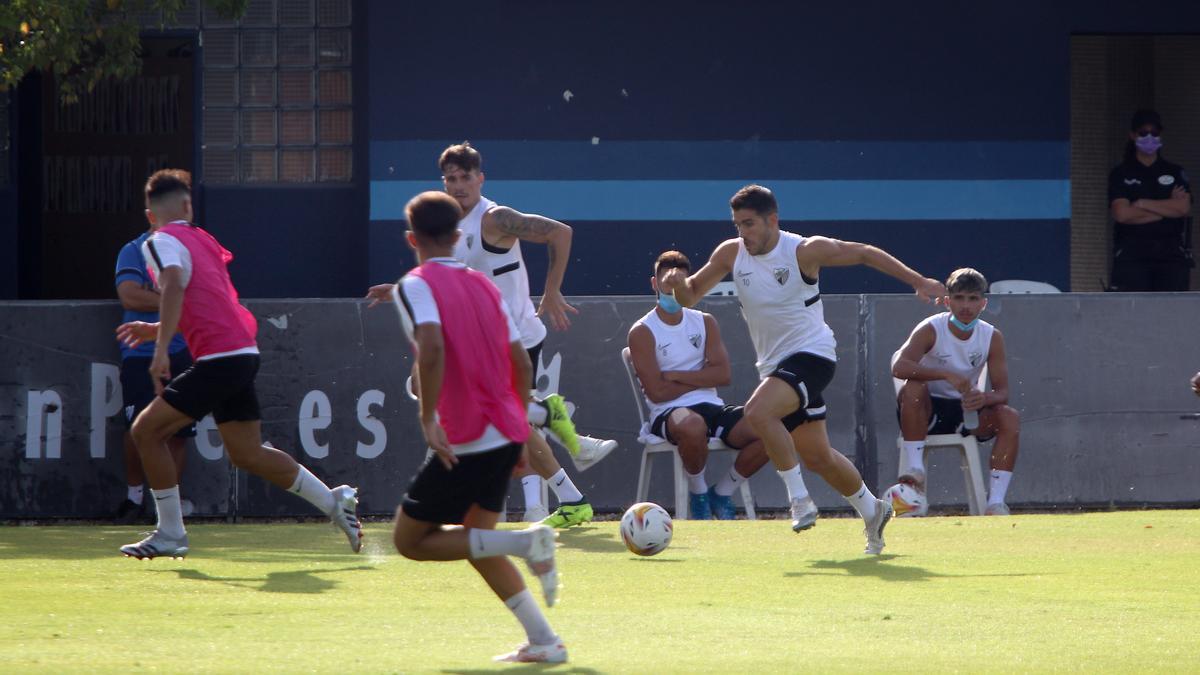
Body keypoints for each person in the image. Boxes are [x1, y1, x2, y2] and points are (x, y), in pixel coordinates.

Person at [662, 184, 946, 554]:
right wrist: (675, 286)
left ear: (772, 220)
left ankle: (798, 500)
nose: (742, 233)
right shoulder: (730, 254)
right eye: (737, 225)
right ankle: (873, 509)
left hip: (814, 355)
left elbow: (861, 253)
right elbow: (691, 294)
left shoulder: (803, 250)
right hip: (775, 367)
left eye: (749, 224)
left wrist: (917, 280)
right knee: (818, 456)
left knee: (757, 412)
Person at [115, 169, 362, 559]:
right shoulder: (202, 238)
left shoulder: (158, 240)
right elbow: (204, 302)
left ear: (150, 216)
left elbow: (175, 284)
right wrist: (158, 329)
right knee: (247, 453)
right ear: (187, 206)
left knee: (146, 431)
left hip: (219, 359)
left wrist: (161, 349)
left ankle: (171, 533)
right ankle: (334, 502)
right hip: (242, 353)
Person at [367, 141, 616, 528]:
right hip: (480, 340)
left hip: (514, 338)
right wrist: (399, 287)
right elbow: (447, 275)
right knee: (494, 417)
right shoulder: (449, 227)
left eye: (466, 177)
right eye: (451, 178)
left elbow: (561, 233)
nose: (459, 185)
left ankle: (553, 451)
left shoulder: (494, 219)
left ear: (480, 179)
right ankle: (568, 485)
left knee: (496, 417)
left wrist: (551, 290)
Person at [390, 190, 565, 664]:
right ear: (457, 236)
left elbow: (431, 349)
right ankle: (545, 641)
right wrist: (521, 423)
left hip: (469, 436)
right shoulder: (483, 284)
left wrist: (428, 418)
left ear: (411, 239)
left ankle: (527, 542)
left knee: (409, 540)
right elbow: (519, 362)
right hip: (506, 429)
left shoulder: (415, 284)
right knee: (478, 541)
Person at [628, 251, 770, 519]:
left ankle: (723, 492)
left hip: (712, 407)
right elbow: (657, 394)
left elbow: (723, 375)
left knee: (769, 427)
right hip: (669, 413)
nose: (671, 290)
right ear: (654, 284)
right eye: (666, 283)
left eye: (678, 284)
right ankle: (699, 492)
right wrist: (700, 377)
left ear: (689, 283)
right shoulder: (642, 331)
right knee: (693, 426)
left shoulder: (704, 321)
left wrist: (675, 375)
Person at [891, 268, 1021, 516]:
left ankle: (995, 502)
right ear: (947, 301)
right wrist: (945, 374)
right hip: (924, 413)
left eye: (973, 299)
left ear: (983, 303)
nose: (966, 306)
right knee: (914, 387)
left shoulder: (991, 336)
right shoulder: (931, 328)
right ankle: (915, 468)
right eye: (959, 298)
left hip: (966, 413)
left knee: (1009, 416)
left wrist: (984, 398)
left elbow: (1002, 392)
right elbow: (900, 367)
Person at [113, 228, 196, 523]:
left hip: (184, 351)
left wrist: (167, 298)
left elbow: (200, 298)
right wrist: (170, 297)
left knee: (179, 432)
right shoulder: (134, 249)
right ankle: (133, 499)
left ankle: (166, 511)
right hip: (140, 353)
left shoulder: (190, 249)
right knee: (136, 428)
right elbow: (129, 295)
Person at [1108, 109, 1193, 292]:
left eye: (1154, 133)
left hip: (1170, 255)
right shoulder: (1121, 173)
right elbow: (1122, 214)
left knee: (1171, 310)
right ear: (1132, 135)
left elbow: (1183, 208)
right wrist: (1165, 210)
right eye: (1143, 133)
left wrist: (1141, 204)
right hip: (1132, 255)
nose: (1149, 137)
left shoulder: (1175, 172)